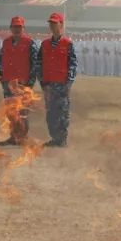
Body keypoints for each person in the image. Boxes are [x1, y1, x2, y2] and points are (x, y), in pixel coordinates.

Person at [37, 12, 77, 147]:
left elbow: (72, 64)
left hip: (62, 85)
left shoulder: (68, 44)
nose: (52, 26)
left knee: (62, 113)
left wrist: (69, 83)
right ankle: (55, 138)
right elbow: (39, 64)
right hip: (48, 85)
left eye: (55, 23)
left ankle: (62, 139)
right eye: (51, 24)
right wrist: (43, 84)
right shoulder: (45, 44)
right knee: (50, 114)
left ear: (61, 25)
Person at [0, 16, 37, 146]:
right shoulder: (6, 42)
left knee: (22, 111)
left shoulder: (30, 43)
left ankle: (23, 137)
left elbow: (35, 64)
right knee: (10, 111)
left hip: (23, 84)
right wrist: (2, 78)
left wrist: (29, 84)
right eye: (14, 27)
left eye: (19, 27)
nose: (17, 29)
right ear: (10, 28)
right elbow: (1, 61)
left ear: (23, 28)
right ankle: (13, 136)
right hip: (8, 83)